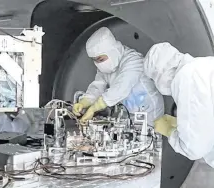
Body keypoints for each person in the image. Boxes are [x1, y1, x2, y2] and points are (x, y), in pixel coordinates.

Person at [143, 42, 214, 187]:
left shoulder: (187, 77)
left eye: (154, 79)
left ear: (161, 71)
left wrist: (170, 132)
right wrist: (181, 125)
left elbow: (194, 148)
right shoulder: (205, 65)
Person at [73, 27, 164, 125]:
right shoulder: (106, 67)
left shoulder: (133, 61)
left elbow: (121, 88)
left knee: (148, 137)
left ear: (111, 52)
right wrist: (84, 102)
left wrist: (94, 108)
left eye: (100, 59)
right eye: (94, 60)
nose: (98, 64)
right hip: (128, 114)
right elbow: (97, 87)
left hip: (149, 112)